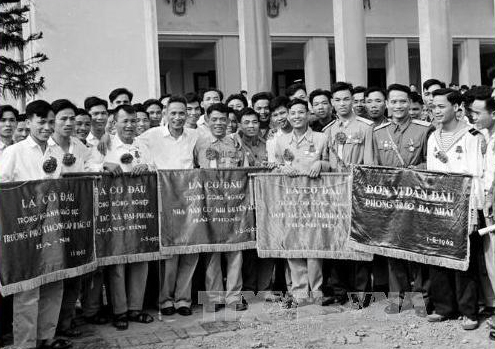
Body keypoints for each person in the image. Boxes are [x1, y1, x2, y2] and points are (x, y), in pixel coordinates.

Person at [0, 100, 72, 349]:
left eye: (51, 122)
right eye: (41, 122)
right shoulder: (14, 152)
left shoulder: (56, 153)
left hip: (53, 226)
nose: (47, 127)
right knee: (28, 289)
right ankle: (25, 343)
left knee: (54, 281)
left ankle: (46, 338)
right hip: (24, 230)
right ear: (28, 122)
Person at [365, 84, 434, 317]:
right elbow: (372, 168)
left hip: (416, 200)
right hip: (390, 202)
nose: (398, 106)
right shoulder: (377, 133)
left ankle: (422, 299)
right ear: (387, 104)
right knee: (393, 249)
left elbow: (432, 163)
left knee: (417, 249)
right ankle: (397, 298)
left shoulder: (424, 129)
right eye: (393, 101)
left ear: (409, 103)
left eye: (402, 101)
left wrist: (414, 170)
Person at [87, 104, 153, 330]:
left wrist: (147, 165)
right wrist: (103, 164)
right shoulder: (105, 143)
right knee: (118, 260)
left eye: (133, 121)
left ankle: (136, 307)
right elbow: (89, 165)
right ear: (114, 123)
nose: (130, 125)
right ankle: (120, 310)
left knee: (140, 258)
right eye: (125, 121)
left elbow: (156, 166)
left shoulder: (143, 144)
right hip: (114, 211)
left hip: (141, 208)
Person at [137, 96, 200, 317]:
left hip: (191, 200)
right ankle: (165, 300)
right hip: (164, 200)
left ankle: (184, 299)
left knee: (190, 251)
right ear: (165, 114)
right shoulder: (150, 136)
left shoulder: (195, 135)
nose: (177, 117)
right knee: (170, 254)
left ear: (188, 114)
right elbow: (132, 149)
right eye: (173, 113)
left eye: (182, 113)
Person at [426, 88, 483, 330]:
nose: (437, 111)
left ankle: (469, 311)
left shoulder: (471, 135)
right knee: (439, 258)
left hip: (464, 206)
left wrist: (472, 212)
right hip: (440, 206)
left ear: (457, 107)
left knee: (465, 261)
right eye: (434, 107)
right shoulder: (432, 137)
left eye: (442, 106)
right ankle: (444, 307)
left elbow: (477, 176)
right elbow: (429, 176)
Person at [273, 98, 330, 307]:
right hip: (290, 200)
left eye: (300, 112)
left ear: (308, 115)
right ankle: (299, 292)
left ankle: (316, 290)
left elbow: (334, 164)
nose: (296, 116)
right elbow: (275, 166)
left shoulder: (322, 138)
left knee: (314, 244)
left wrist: (320, 163)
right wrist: (281, 169)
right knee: (294, 244)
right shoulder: (280, 141)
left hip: (316, 199)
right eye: (293, 113)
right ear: (288, 116)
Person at [194, 103, 248, 312]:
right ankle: (214, 297)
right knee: (213, 251)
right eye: (214, 119)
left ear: (228, 121)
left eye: (223, 119)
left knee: (236, 251)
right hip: (210, 204)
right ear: (206, 120)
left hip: (234, 204)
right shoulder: (199, 143)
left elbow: (243, 168)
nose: (219, 123)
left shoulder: (235, 143)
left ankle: (234, 296)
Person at [323, 82, 374, 306]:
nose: (342, 103)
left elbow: (370, 163)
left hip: (357, 191)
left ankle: (361, 293)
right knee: (336, 242)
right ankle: (339, 290)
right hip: (334, 194)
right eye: (337, 100)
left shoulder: (365, 127)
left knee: (359, 242)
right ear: (332, 103)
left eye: (346, 99)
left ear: (353, 101)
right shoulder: (328, 130)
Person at [49, 99, 91, 339]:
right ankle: (49, 326)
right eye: (62, 118)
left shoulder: (78, 144)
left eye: (71, 119)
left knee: (74, 270)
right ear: (53, 121)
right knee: (55, 271)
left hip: (77, 214)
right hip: (52, 217)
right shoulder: (47, 147)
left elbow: (89, 165)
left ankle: (66, 322)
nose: (68, 123)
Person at [467, 88, 495, 322]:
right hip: (484, 207)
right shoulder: (482, 135)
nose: (473, 117)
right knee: (489, 260)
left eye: (477, 112)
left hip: (493, 206)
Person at [267, 96, 292, 163]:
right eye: (275, 115)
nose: (279, 118)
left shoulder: (303, 132)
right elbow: (273, 164)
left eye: (282, 113)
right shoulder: (272, 140)